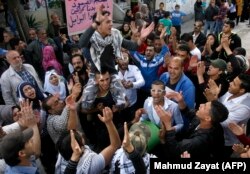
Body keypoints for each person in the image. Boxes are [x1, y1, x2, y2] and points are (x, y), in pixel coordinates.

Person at [79, 5, 154, 110]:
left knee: (122, 103)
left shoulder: (115, 34)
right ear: (98, 24)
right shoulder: (91, 36)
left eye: (111, 21)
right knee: (85, 105)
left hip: (111, 72)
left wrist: (141, 39)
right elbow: (81, 44)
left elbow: (131, 45)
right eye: (108, 22)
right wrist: (95, 23)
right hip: (95, 73)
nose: (111, 24)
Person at [157, 91, 228, 159]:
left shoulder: (199, 141)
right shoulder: (205, 120)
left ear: (208, 118)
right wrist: (181, 101)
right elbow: (188, 113)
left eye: (204, 106)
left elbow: (174, 150)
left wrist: (167, 124)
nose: (201, 105)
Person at [56, 107, 121, 174]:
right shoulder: (91, 165)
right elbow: (115, 145)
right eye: (79, 135)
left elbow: (71, 131)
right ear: (80, 148)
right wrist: (109, 122)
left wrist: (72, 110)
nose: (80, 133)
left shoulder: (64, 152)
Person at [0, 100, 41, 173]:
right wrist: (33, 125)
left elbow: (23, 124)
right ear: (21, 153)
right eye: (27, 141)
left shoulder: (23, 159)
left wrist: (28, 117)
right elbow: (36, 152)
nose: (31, 140)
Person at [116, 52, 145, 122]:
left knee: (133, 123)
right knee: (121, 124)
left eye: (125, 58)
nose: (124, 61)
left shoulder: (134, 68)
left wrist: (132, 84)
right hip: (119, 105)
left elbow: (142, 81)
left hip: (133, 103)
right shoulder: (112, 70)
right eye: (121, 59)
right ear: (116, 60)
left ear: (129, 59)